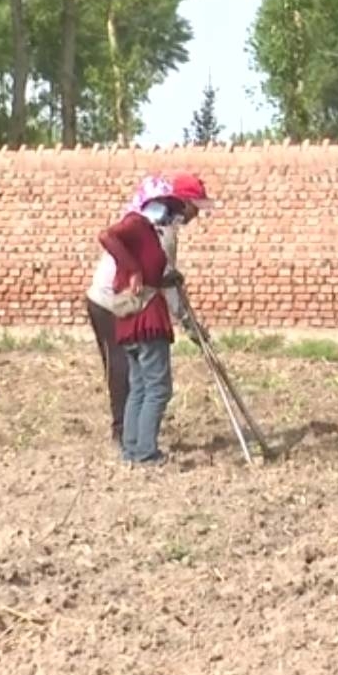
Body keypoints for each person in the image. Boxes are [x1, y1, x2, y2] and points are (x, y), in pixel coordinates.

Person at [95, 173, 214, 465]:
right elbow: (107, 236)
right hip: (146, 318)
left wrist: (166, 276)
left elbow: (157, 273)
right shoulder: (137, 224)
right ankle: (145, 452)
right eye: (165, 204)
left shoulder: (154, 233)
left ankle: (132, 449)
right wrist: (134, 269)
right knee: (158, 387)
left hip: (134, 320)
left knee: (139, 386)